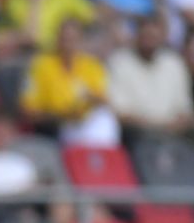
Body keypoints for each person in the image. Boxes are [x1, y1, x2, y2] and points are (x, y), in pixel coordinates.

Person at [21, 17, 120, 146]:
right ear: (57, 39)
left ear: (81, 41)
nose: (68, 44)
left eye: (73, 40)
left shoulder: (92, 66)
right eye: (64, 39)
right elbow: (29, 110)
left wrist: (90, 99)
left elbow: (103, 99)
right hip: (52, 126)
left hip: (84, 122)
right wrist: (62, 116)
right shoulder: (40, 66)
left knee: (105, 120)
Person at [107, 14, 194, 135]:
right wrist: (156, 127)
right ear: (136, 35)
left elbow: (185, 110)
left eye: (153, 36)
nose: (149, 40)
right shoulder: (119, 62)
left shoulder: (174, 63)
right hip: (135, 133)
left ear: (163, 36)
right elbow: (119, 113)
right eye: (145, 35)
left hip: (173, 133)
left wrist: (174, 126)